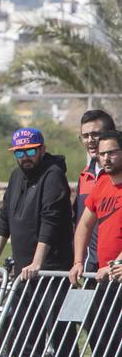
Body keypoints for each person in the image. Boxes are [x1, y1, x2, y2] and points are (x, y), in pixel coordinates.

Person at [0, 128, 77, 357]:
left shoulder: (53, 175)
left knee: (59, 334)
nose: (25, 157)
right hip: (24, 273)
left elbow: (51, 219)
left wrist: (38, 261)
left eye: (30, 150)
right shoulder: (16, 175)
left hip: (51, 270)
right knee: (25, 335)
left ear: (42, 149)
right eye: (19, 152)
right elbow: (6, 219)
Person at [69, 129, 122, 357]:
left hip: (118, 275)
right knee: (102, 340)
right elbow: (84, 226)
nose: (106, 158)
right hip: (105, 279)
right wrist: (78, 262)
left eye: (112, 152)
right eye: (102, 154)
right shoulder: (101, 185)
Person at [75, 109, 116, 273]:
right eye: (85, 136)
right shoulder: (85, 176)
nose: (90, 141)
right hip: (91, 268)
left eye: (95, 134)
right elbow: (81, 224)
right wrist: (78, 261)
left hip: (116, 267)